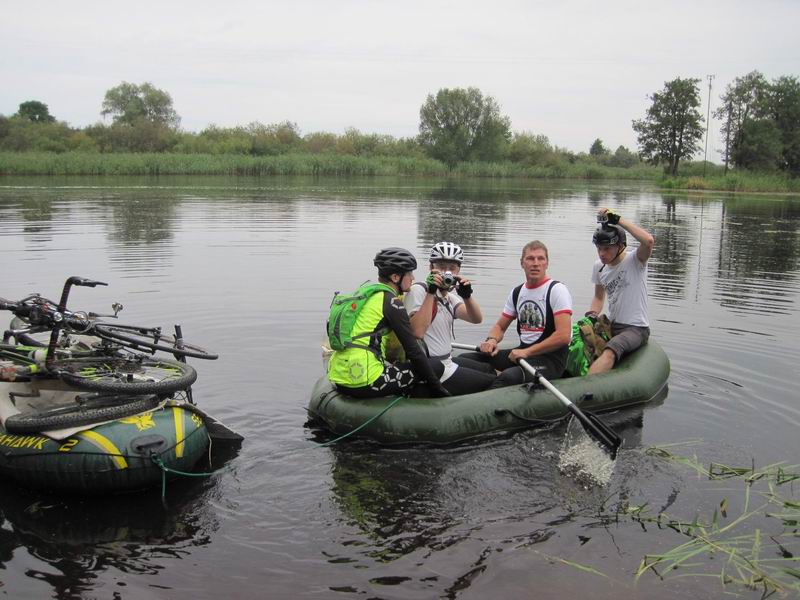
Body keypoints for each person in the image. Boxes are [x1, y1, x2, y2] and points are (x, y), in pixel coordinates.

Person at [327, 247, 450, 399]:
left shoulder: (369, 294)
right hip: (365, 382)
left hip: (340, 377)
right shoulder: (392, 302)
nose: (412, 278)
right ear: (395, 277)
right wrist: (438, 388)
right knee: (436, 366)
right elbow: (413, 351)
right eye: (410, 273)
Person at [460, 240, 573, 387]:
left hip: (549, 361)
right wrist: (492, 340)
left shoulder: (557, 290)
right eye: (530, 258)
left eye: (541, 258)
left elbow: (563, 336)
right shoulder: (518, 292)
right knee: (464, 359)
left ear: (547, 263)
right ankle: (489, 377)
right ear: (522, 263)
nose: (535, 263)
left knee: (508, 377)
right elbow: (500, 327)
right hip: (522, 354)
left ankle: (488, 393)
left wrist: (527, 352)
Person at [404, 242, 495, 395]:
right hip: (433, 368)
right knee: (494, 381)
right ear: (430, 267)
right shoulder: (418, 290)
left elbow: (476, 319)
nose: (446, 272)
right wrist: (431, 292)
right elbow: (417, 332)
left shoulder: (449, 298)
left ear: (458, 271)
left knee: (489, 369)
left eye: (452, 268)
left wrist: (467, 296)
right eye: (440, 266)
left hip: (448, 362)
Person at [586, 208, 654, 374]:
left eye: (607, 249)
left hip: (636, 329)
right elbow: (598, 297)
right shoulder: (599, 267)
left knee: (611, 350)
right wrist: (592, 315)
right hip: (612, 325)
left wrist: (618, 219)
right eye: (599, 248)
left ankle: (583, 388)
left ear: (620, 246)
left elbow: (648, 241)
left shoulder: (635, 260)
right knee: (580, 341)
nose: (602, 253)